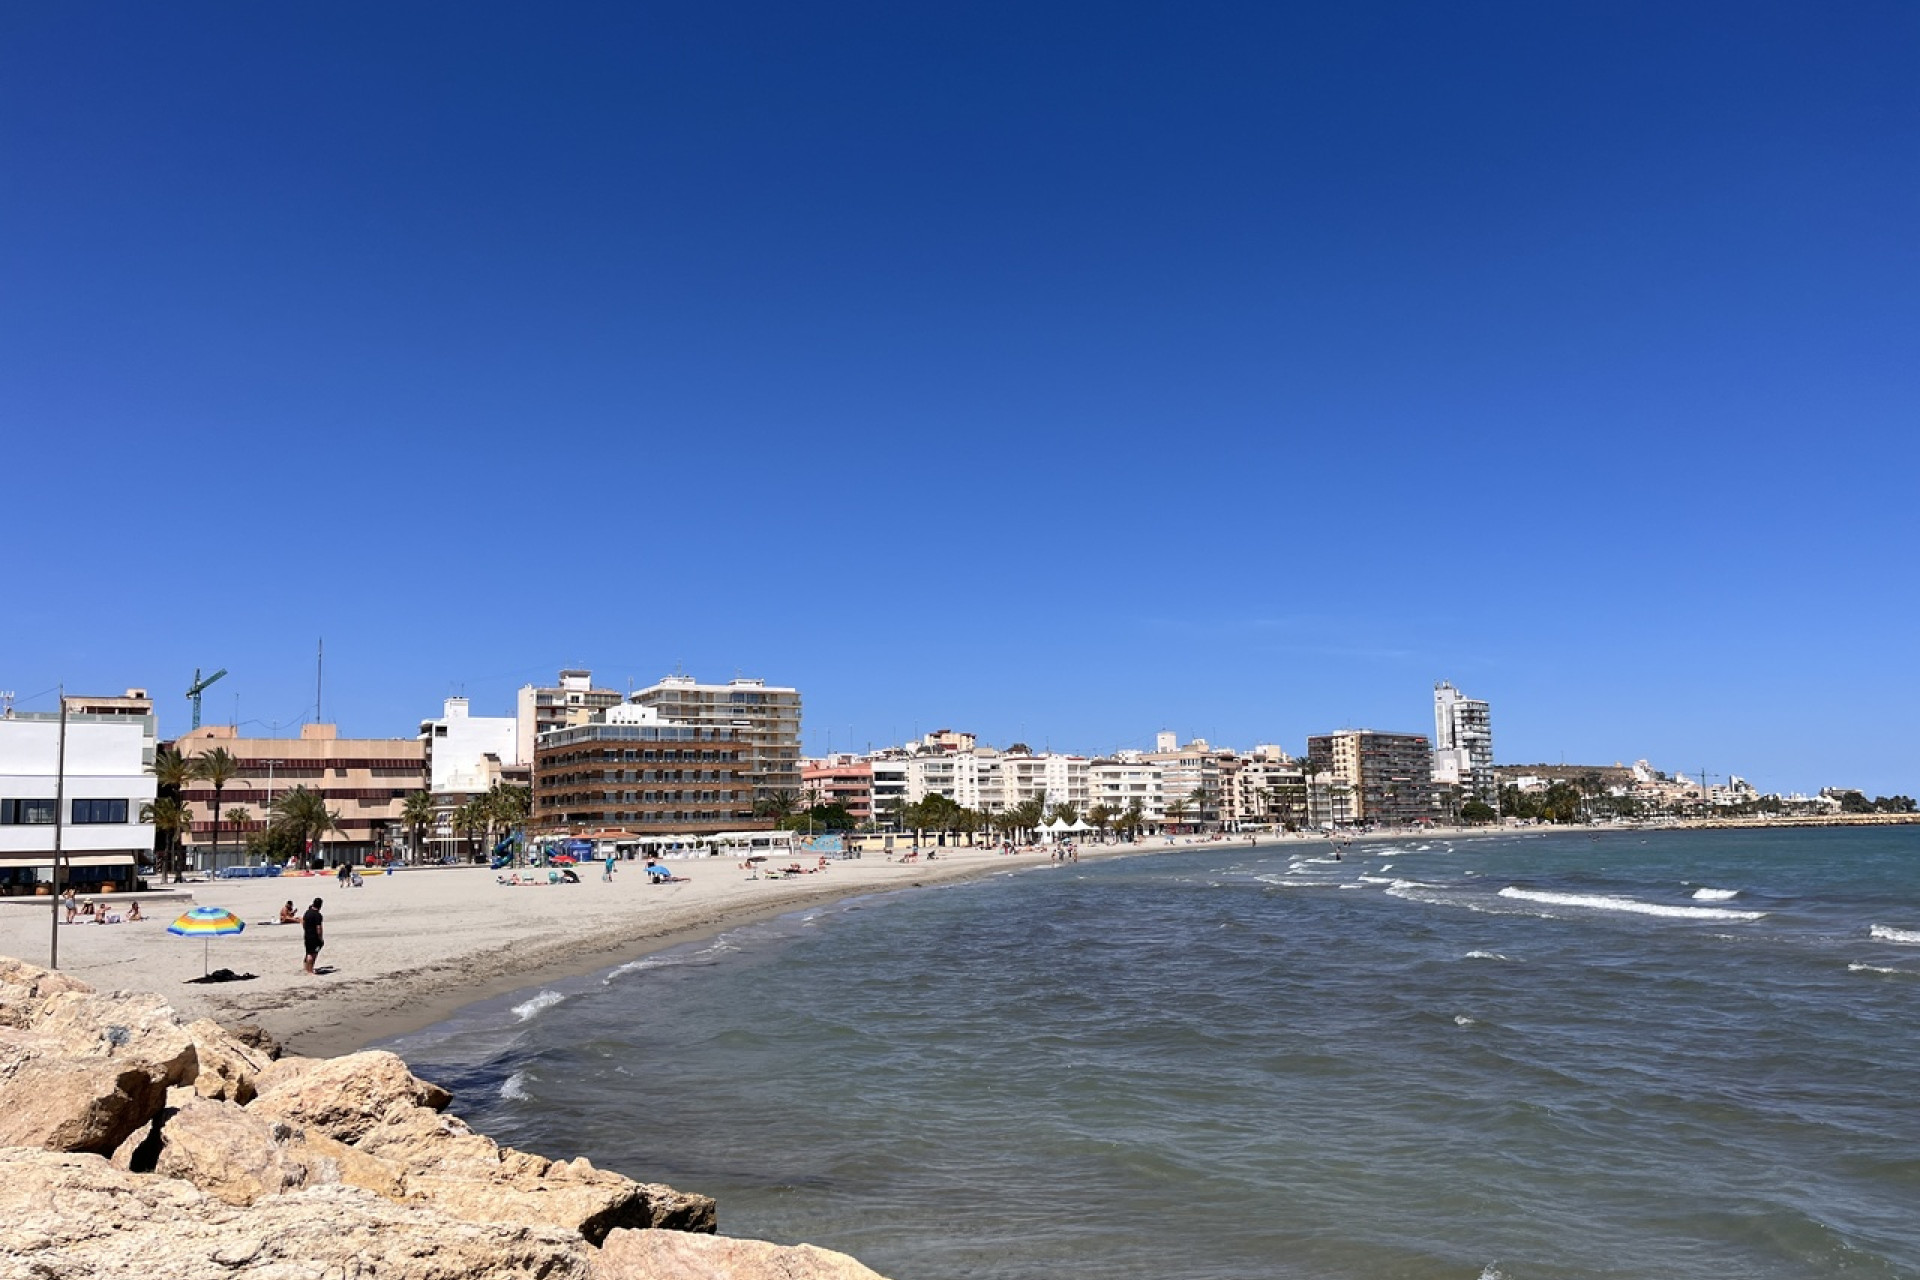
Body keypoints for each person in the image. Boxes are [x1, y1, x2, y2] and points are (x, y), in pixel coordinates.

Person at [302, 898, 324, 974]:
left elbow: (303, 923)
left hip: (307, 935)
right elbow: (319, 928)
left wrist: (306, 930)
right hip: (314, 937)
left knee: (308, 952)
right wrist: (320, 938)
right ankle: (310, 970)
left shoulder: (307, 912)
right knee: (313, 954)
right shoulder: (317, 915)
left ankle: (306, 968)